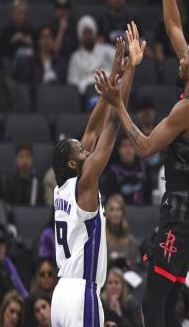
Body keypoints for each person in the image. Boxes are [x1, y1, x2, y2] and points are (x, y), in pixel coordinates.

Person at [96, 0, 189, 327]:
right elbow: (173, 25)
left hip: (181, 207)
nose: (177, 60)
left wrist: (118, 103)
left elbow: (144, 147)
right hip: (186, 204)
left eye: (183, 60)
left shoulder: (187, 110)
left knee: (152, 306)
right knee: (166, 305)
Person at [51, 25, 144, 325]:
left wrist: (114, 75)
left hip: (60, 296)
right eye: (81, 151)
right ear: (73, 164)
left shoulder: (64, 188)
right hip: (82, 292)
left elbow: (92, 130)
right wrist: (131, 70)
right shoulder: (86, 182)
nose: (85, 148)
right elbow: (113, 125)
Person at [67, 15, 116, 94]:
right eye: (85, 33)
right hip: (85, 94)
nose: (88, 36)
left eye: (90, 32)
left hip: (109, 92)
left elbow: (118, 72)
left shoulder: (107, 50)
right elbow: (73, 83)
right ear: (80, 36)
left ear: (94, 33)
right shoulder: (75, 57)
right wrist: (89, 81)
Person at [102, 135, 151, 205]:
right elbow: (109, 201)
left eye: (132, 146)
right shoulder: (112, 172)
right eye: (125, 146)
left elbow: (149, 196)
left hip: (142, 209)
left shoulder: (144, 168)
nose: (128, 150)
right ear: (119, 150)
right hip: (119, 210)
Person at [104, 194, 140, 270]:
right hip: (107, 275)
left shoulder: (130, 241)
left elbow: (137, 266)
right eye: (112, 210)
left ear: (123, 213)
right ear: (108, 213)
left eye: (118, 209)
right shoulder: (102, 239)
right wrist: (110, 259)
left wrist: (126, 263)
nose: (115, 214)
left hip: (126, 275)